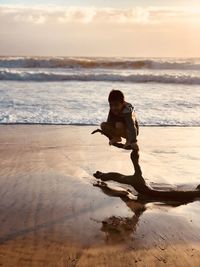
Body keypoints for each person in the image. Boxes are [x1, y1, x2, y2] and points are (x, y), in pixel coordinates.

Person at [101, 89, 141, 175]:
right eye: (111, 105)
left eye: (116, 105)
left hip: (131, 132)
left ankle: (128, 140)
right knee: (103, 125)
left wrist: (134, 141)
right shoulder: (112, 109)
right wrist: (108, 132)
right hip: (120, 129)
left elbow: (132, 127)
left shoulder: (127, 111)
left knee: (119, 124)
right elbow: (110, 122)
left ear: (122, 103)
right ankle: (117, 137)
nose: (113, 108)